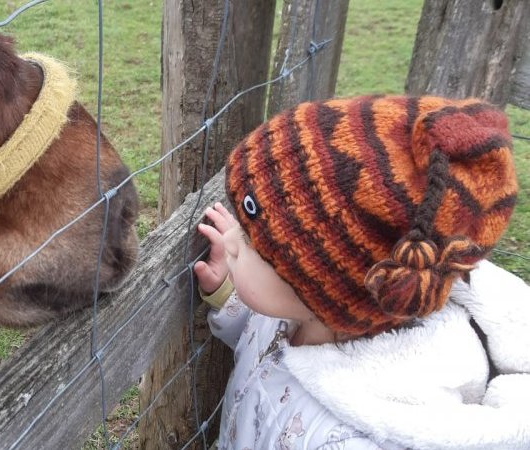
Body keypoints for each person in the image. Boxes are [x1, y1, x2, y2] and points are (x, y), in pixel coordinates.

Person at [194, 95, 530, 450]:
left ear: (327, 288)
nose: (231, 238)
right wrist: (230, 295)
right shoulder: (309, 314)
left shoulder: (348, 440)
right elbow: (264, 351)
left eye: (250, 242)